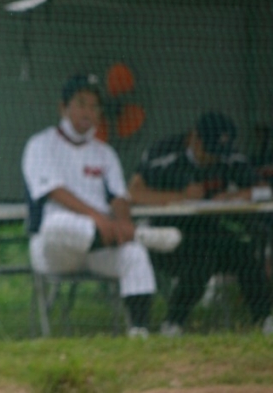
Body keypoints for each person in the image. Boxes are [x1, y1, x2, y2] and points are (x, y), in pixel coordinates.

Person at [22, 74, 166, 338]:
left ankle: (140, 333)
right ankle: (140, 235)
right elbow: (54, 191)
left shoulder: (105, 153)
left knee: (135, 255)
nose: (88, 112)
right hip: (56, 250)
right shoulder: (40, 145)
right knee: (56, 225)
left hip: (100, 245)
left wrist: (122, 223)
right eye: (81, 103)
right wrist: (99, 220)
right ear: (63, 108)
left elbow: (119, 197)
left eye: (94, 106)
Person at [128, 111, 273, 336]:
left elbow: (264, 189)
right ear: (195, 139)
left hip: (210, 231)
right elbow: (133, 193)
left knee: (244, 252)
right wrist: (180, 196)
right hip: (169, 236)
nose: (214, 158)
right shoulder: (166, 156)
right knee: (202, 258)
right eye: (210, 151)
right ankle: (173, 324)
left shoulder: (229, 158)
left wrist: (235, 196)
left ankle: (264, 319)